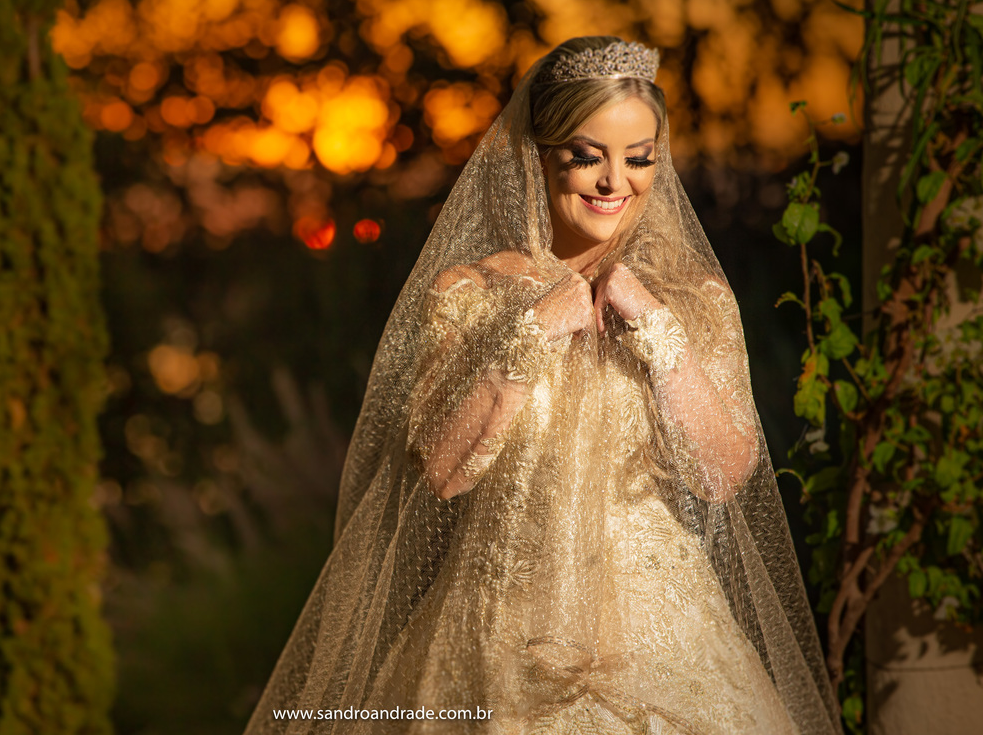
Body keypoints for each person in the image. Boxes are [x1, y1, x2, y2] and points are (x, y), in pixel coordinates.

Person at [243, 37, 843, 734]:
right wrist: (528, 334)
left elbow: (724, 474)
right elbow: (439, 471)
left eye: (638, 158)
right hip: (492, 645)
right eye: (588, 156)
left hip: (662, 648)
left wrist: (656, 330)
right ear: (539, 154)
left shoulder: (694, 300)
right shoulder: (471, 294)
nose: (614, 181)